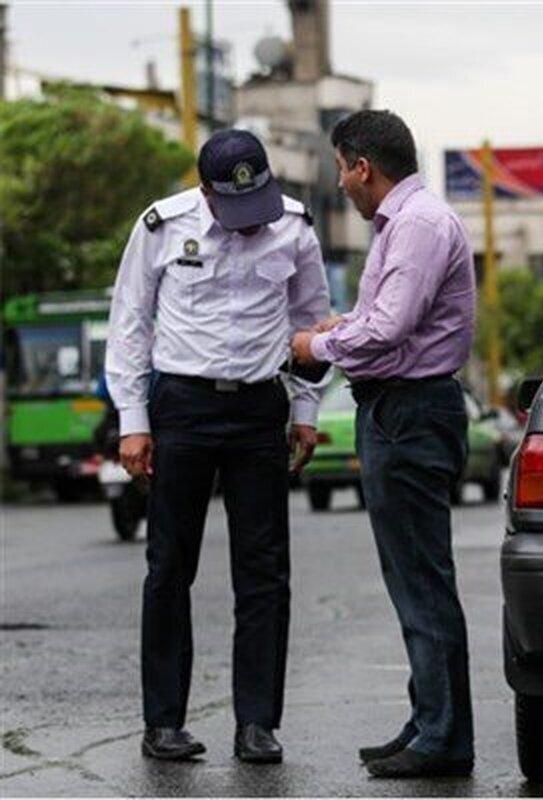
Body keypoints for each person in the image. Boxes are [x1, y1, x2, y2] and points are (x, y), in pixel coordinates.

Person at [106, 129, 331, 763]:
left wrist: (306, 412)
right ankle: (163, 723)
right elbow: (130, 322)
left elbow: (311, 324)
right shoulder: (159, 228)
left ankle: (257, 723)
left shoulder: (294, 228)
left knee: (263, 573)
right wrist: (133, 419)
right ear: (204, 191)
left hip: (260, 410)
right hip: (181, 406)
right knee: (169, 567)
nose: (247, 225)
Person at [291, 109, 476, 778]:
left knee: (422, 581)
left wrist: (317, 343)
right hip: (397, 409)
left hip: (410, 412)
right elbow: (386, 319)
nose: (340, 182)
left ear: (363, 166)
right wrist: (350, 325)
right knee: (411, 580)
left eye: (341, 168)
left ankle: (444, 735)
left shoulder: (419, 225)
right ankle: (431, 720)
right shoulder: (403, 225)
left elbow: (391, 328)